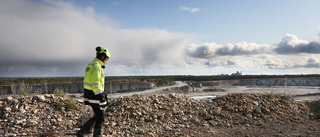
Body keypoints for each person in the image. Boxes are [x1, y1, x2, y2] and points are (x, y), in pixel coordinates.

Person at [77, 46, 110, 137]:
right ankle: (91, 134)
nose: (107, 61)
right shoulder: (97, 67)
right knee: (100, 117)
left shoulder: (90, 65)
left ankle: (83, 132)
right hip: (95, 95)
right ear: (103, 57)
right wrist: (101, 97)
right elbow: (95, 83)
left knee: (98, 115)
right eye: (107, 58)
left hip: (90, 94)